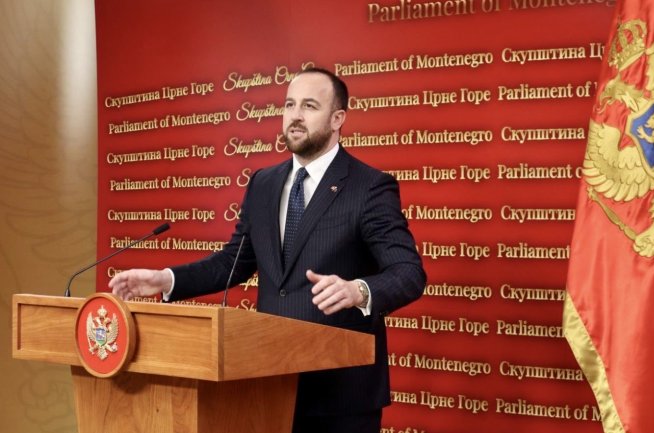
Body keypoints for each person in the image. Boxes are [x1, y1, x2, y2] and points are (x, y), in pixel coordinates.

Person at [109, 67, 426, 433]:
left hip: (340, 395)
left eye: (309, 106)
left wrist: (359, 290)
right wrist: (165, 280)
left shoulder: (369, 186)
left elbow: (409, 273)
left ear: (338, 118)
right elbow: (234, 261)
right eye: (289, 104)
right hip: (267, 385)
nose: (295, 115)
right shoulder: (263, 183)